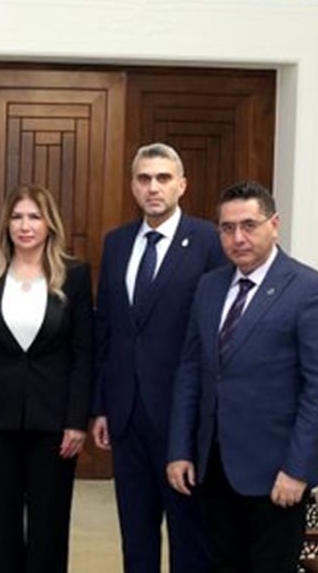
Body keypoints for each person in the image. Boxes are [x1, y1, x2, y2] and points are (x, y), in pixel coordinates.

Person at [167, 181, 318, 573]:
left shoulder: (311, 290)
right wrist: (180, 449)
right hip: (214, 467)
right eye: (227, 228)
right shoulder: (209, 287)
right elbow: (191, 372)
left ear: (274, 224)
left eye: (249, 225)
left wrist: (297, 469)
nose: (238, 238)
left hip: (277, 474)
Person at [91, 143, 223, 573]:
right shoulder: (117, 243)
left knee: (190, 540)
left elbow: (216, 332)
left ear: (182, 185)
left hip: (183, 420)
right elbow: (106, 329)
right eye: (144, 178)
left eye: (163, 178)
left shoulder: (208, 241)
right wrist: (102, 406)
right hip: (127, 416)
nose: (153, 187)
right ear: (133, 186)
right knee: (136, 540)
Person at [0, 184, 93, 573]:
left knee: (48, 526)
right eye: (17, 217)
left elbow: (84, 353)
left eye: (35, 217)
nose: (25, 226)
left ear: (50, 224)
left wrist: (77, 420)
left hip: (54, 424)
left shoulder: (74, 275)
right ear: (6, 224)